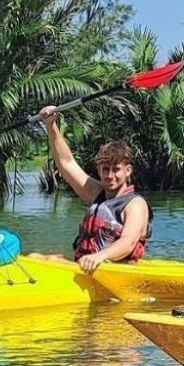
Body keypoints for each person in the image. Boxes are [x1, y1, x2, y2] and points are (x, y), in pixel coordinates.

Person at [40, 105, 150, 274]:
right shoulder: (96, 193)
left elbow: (128, 242)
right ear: (99, 170)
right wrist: (50, 125)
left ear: (128, 170)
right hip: (85, 267)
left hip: (116, 273)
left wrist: (99, 256)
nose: (110, 176)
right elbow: (66, 163)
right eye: (105, 169)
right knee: (36, 257)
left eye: (116, 170)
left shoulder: (135, 204)